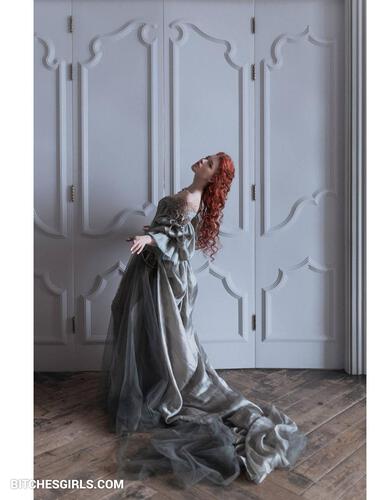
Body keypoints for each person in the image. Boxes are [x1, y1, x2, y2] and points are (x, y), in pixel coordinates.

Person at [99, 152, 307, 489]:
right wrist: (152, 233)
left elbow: (179, 240)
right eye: (206, 158)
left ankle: (170, 384)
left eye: (209, 163)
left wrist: (150, 239)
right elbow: (172, 230)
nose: (202, 161)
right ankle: (153, 379)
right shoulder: (187, 194)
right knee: (142, 324)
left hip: (164, 274)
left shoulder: (191, 200)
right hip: (153, 267)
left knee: (167, 333)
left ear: (213, 177)